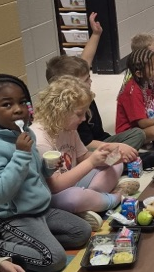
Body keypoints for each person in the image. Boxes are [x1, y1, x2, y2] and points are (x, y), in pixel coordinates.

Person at [0, 74, 91, 272]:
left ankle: (37, 242)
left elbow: (32, 173)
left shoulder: (26, 133)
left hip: (40, 209)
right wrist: (20, 155)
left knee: (82, 232)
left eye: (22, 102)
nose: (18, 109)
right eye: (7, 104)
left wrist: (48, 167)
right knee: (54, 260)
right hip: (12, 217)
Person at [31, 76, 131, 230]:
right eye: (79, 114)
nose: (84, 119)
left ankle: (91, 203)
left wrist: (111, 158)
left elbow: (82, 157)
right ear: (60, 111)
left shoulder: (68, 126)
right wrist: (92, 162)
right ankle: (113, 199)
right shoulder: (40, 138)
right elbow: (55, 186)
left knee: (116, 165)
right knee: (74, 198)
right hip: (55, 195)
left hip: (74, 181)